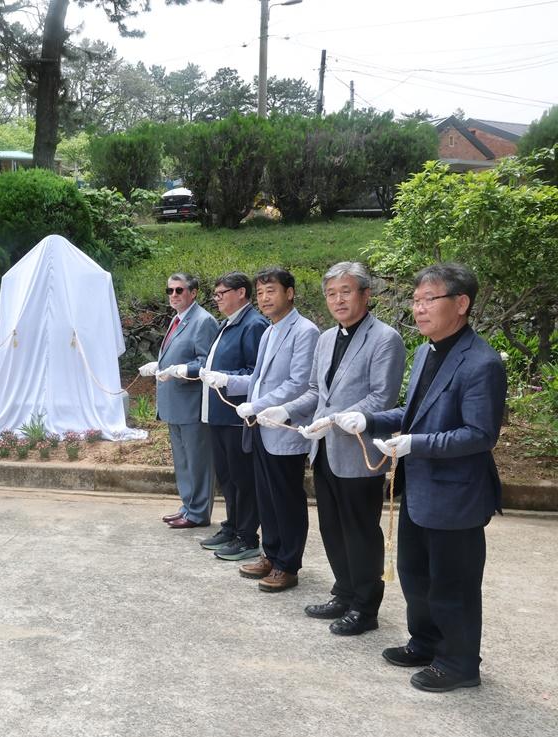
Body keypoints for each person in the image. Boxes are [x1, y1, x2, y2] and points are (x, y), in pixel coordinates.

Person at [334, 263, 506, 693]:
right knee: (416, 574)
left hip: (456, 496)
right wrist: (368, 419)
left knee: (453, 584)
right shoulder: (428, 350)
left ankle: (460, 662)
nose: (419, 308)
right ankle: (426, 642)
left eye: (430, 299)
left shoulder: (480, 362)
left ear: (461, 304)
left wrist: (416, 443)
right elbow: (412, 416)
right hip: (418, 488)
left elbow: (479, 434)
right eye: (416, 300)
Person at [283, 263, 406, 636]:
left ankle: (365, 608)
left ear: (366, 295)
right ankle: (344, 591)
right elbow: (316, 392)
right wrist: (287, 411)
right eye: (332, 293)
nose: (338, 299)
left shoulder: (385, 338)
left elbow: (381, 397)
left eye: (346, 291)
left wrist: (335, 419)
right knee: (332, 527)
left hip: (359, 450)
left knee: (360, 531)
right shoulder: (324, 338)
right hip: (324, 449)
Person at [202, 268, 319, 593]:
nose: (265, 298)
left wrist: (259, 404)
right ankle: (271, 554)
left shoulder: (304, 331)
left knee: (286, 499)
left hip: (283, 428)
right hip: (259, 428)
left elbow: (298, 384)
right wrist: (230, 381)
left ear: (290, 293)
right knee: (266, 497)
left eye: (272, 291)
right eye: (262, 292)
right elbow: (257, 379)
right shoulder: (269, 331)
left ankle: (288, 565)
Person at [196, 272, 268, 561]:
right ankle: (232, 526)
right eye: (215, 294)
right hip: (219, 414)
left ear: (241, 293)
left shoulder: (253, 324)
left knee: (243, 479)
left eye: (221, 293)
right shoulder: (228, 324)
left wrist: (225, 378)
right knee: (227, 477)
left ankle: (247, 535)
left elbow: (257, 373)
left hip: (238, 416)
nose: (217, 299)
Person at [139, 273, 218, 529]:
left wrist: (179, 370)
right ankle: (188, 506)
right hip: (174, 404)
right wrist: (160, 366)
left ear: (193, 293)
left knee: (198, 462)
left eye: (179, 290)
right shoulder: (177, 319)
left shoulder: (203, 321)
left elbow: (207, 362)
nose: (173, 295)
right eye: (170, 290)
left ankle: (198, 512)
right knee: (183, 462)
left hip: (192, 403)